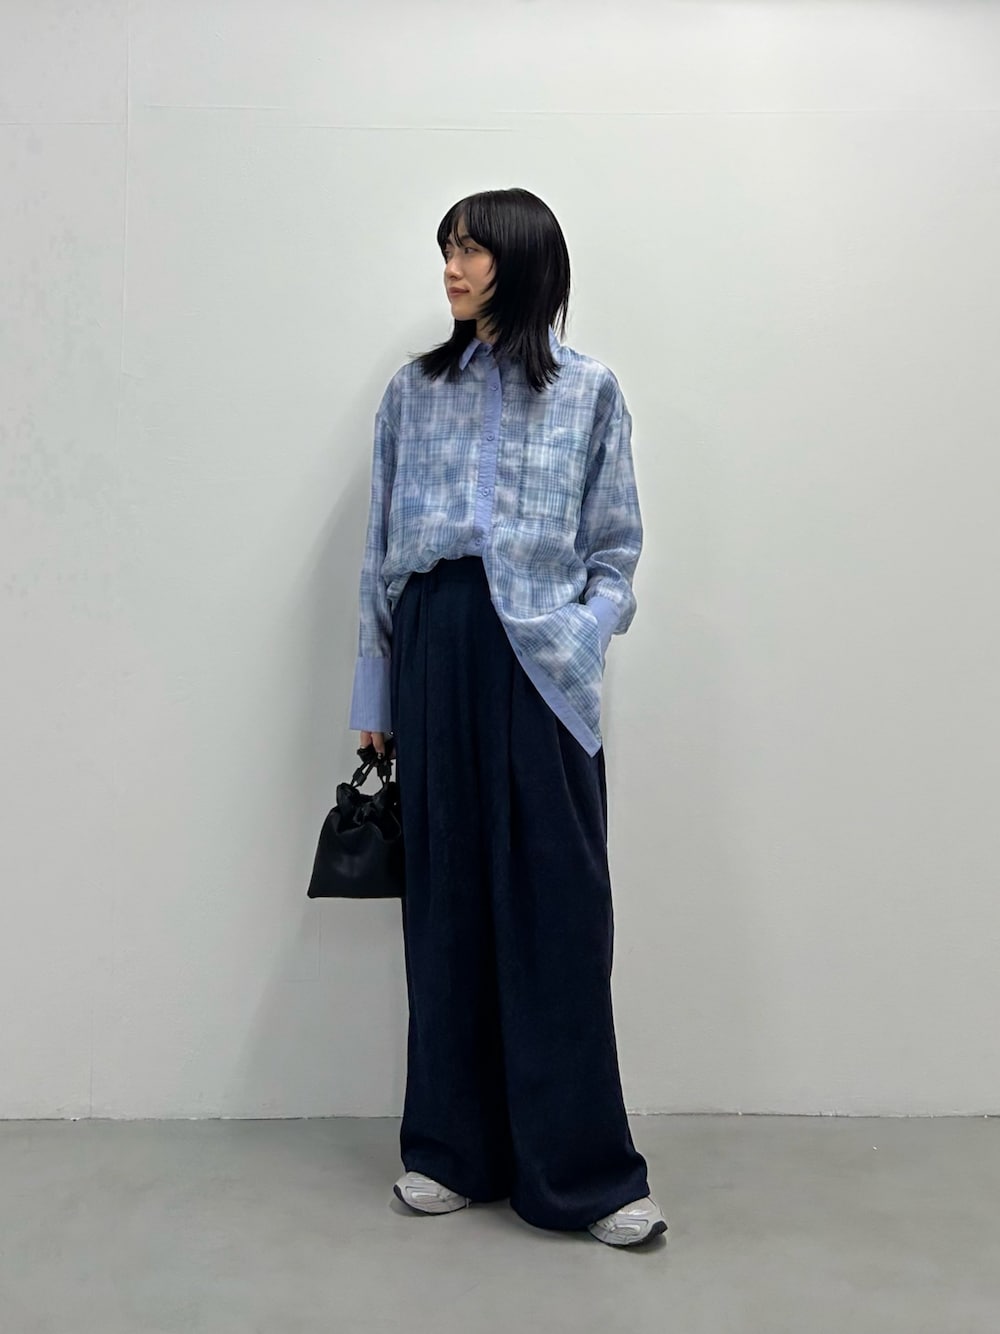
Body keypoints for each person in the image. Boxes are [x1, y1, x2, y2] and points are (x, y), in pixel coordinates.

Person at [349, 188, 667, 1248]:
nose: (450, 267)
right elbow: (378, 553)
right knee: (445, 904)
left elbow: (616, 550)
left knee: (558, 912)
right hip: (435, 643)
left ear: (523, 263)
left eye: (471, 250)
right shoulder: (412, 392)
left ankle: (583, 1173)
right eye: (446, 249)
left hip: (541, 660)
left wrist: (578, 635)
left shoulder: (590, 392)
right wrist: (375, 693)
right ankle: (451, 1149)